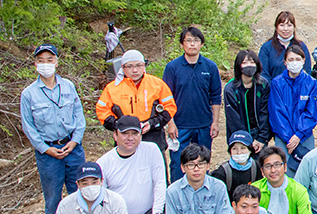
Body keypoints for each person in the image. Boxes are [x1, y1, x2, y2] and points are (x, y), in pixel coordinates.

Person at [21, 44, 86, 214]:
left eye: (50, 60)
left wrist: (74, 141)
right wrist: (46, 148)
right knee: (52, 192)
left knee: (79, 187)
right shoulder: (29, 94)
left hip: (72, 146)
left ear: (57, 62)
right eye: (41, 60)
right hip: (48, 151)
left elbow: (79, 116)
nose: (46, 64)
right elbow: (28, 126)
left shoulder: (68, 86)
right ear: (35, 64)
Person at [96, 116, 168, 214]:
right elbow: (101, 200)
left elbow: (160, 183)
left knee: (169, 206)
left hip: (147, 212)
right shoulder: (104, 163)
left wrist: (157, 213)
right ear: (115, 135)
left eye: (134, 134)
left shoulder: (152, 150)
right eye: (125, 134)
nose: (130, 138)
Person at [163, 26, 223, 182]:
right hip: (180, 125)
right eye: (188, 40)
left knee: (202, 162)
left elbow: (216, 96)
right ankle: (177, 196)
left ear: (201, 44)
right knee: (177, 163)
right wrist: (170, 123)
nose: (192, 44)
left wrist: (215, 122)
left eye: (196, 40)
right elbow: (165, 98)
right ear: (182, 44)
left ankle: (203, 194)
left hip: (203, 123)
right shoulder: (172, 68)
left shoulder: (210, 67)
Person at [95, 49, 177, 151]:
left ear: (144, 65)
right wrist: (118, 125)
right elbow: (102, 110)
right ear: (122, 68)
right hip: (124, 136)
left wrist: (153, 123)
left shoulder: (157, 84)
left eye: (138, 65)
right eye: (129, 66)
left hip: (152, 134)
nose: (135, 70)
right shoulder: (112, 88)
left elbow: (170, 107)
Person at [268, 44, 317, 178]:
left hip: (304, 135)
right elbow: (277, 113)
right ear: (285, 62)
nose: (294, 63)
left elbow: (311, 112)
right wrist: (289, 138)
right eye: (290, 59)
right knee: (284, 171)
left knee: (306, 171)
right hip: (283, 136)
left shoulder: (311, 82)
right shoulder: (277, 83)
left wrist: (298, 135)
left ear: (303, 60)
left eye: (297, 59)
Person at [223, 50, 270, 153]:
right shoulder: (230, 89)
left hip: (259, 135)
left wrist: (262, 138)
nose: (249, 66)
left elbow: (265, 112)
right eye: (244, 63)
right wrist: (245, 141)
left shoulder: (263, 85)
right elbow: (233, 118)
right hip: (239, 136)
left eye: (252, 62)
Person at [259, 11, 312, 82]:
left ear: (294, 27)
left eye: (289, 25)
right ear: (276, 27)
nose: (285, 29)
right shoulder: (267, 47)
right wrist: (276, 88)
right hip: (273, 90)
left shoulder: (301, 46)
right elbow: (263, 74)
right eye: (282, 25)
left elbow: (307, 71)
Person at [211, 131, 263, 199]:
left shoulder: (257, 167)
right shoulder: (222, 173)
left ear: (250, 150)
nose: (239, 152)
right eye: (234, 149)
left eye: (243, 148)